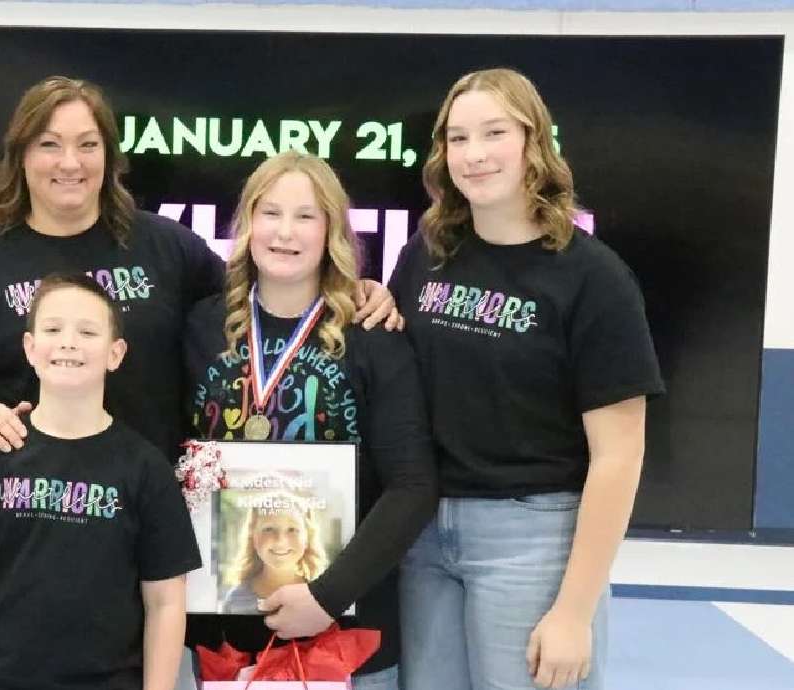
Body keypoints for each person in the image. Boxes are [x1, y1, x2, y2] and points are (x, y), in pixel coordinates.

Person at [0, 76, 396, 464]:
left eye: (88, 145)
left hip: (151, 521)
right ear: (21, 156)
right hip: (21, 518)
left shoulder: (167, 246)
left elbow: (270, 295)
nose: (70, 162)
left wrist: (357, 289)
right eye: (49, 144)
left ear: (110, 156)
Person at [389, 68, 665, 690]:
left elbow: (620, 454)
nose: (474, 154)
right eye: (457, 138)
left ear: (534, 142)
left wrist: (573, 611)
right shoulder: (426, 255)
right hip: (423, 533)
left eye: (493, 132)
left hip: (533, 538)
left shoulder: (593, 278)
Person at [184, 151, 437, 689]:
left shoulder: (373, 335)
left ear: (332, 232)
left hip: (346, 635)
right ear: (246, 224)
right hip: (220, 634)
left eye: (305, 216)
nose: (285, 232)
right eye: (269, 213)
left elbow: (413, 485)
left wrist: (327, 597)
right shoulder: (202, 328)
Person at [0, 273, 200, 690]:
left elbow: (164, 602)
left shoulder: (146, 468)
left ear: (115, 353)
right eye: (53, 329)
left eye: (87, 331)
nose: (69, 342)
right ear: (30, 348)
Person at [220, 490, 328, 614]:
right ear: (253, 536)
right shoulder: (235, 601)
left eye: (292, 529)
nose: (280, 541)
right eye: (269, 529)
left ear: (308, 537)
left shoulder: (321, 598)